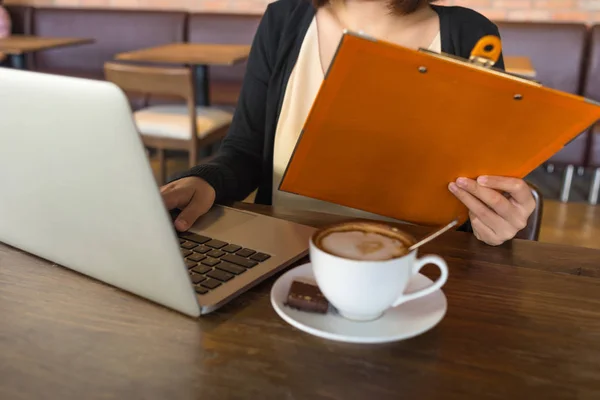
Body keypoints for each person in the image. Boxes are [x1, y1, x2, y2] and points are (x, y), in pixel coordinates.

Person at [160, 0, 536, 247]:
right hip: (284, 261)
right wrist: (206, 180)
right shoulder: (283, 20)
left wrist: (494, 216)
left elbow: (479, 178)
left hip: (419, 272)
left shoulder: (470, 33)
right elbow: (244, 152)